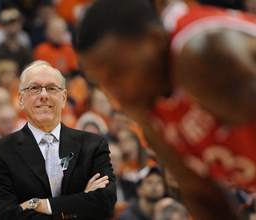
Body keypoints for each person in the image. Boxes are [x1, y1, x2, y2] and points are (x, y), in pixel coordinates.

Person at [76, 0, 256, 219]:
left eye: (117, 72)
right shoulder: (143, 102)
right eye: (100, 81)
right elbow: (200, 193)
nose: (114, 92)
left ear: (155, 39)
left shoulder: (203, 55)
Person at [0, 60, 116, 220]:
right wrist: (81, 201)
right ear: (20, 99)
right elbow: (6, 216)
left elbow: (105, 204)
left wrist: (40, 204)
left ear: (64, 97)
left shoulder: (94, 145)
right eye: (34, 88)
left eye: (52, 88)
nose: (44, 95)